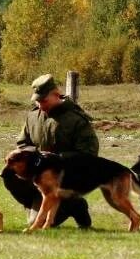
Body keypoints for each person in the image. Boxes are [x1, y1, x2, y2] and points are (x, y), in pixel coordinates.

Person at [10, 74, 95, 228]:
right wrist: (32, 157)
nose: (40, 105)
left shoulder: (76, 119)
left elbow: (88, 155)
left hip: (65, 180)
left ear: (56, 95)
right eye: (37, 101)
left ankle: (76, 204)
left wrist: (56, 158)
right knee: (9, 171)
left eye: (44, 100)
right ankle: (33, 204)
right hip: (40, 179)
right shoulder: (32, 117)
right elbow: (22, 144)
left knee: (39, 223)